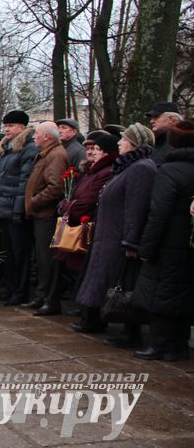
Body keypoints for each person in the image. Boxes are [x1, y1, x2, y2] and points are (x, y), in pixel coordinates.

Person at [75, 123, 157, 349]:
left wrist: (130, 240)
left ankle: (132, 331)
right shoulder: (129, 166)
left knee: (125, 286)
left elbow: (136, 207)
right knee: (113, 283)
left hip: (120, 238)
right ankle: (123, 327)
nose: (119, 143)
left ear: (133, 143)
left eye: (123, 140)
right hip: (110, 235)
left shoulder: (141, 168)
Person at [132, 120, 194, 361]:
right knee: (184, 292)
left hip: (168, 242)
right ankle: (179, 344)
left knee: (161, 293)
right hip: (188, 241)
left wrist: (146, 247)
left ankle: (161, 344)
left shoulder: (169, 170)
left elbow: (158, 212)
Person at [63, 134, 120, 333]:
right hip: (84, 223)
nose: (91, 152)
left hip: (92, 226)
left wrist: (69, 207)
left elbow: (87, 200)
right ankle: (84, 310)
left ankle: (91, 315)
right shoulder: (90, 170)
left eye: (96, 148)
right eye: (90, 148)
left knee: (90, 274)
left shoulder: (105, 171)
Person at [22, 121, 70, 316]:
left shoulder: (56, 155)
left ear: (47, 137)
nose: (34, 138)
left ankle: (50, 300)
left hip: (47, 215)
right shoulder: (48, 154)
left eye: (37, 134)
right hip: (40, 214)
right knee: (42, 260)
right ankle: (42, 296)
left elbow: (55, 187)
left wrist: (34, 202)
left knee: (48, 260)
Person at [0, 110, 38, 305]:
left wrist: (19, 210)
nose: (7, 129)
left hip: (15, 210)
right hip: (4, 208)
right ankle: (11, 289)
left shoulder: (27, 148)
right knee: (9, 254)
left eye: (10, 126)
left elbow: (24, 182)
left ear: (21, 127)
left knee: (20, 255)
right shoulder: (8, 149)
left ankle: (20, 291)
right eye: (6, 126)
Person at [146, 101, 183, 166]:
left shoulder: (180, 144)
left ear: (171, 119)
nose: (151, 121)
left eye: (156, 117)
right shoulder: (157, 142)